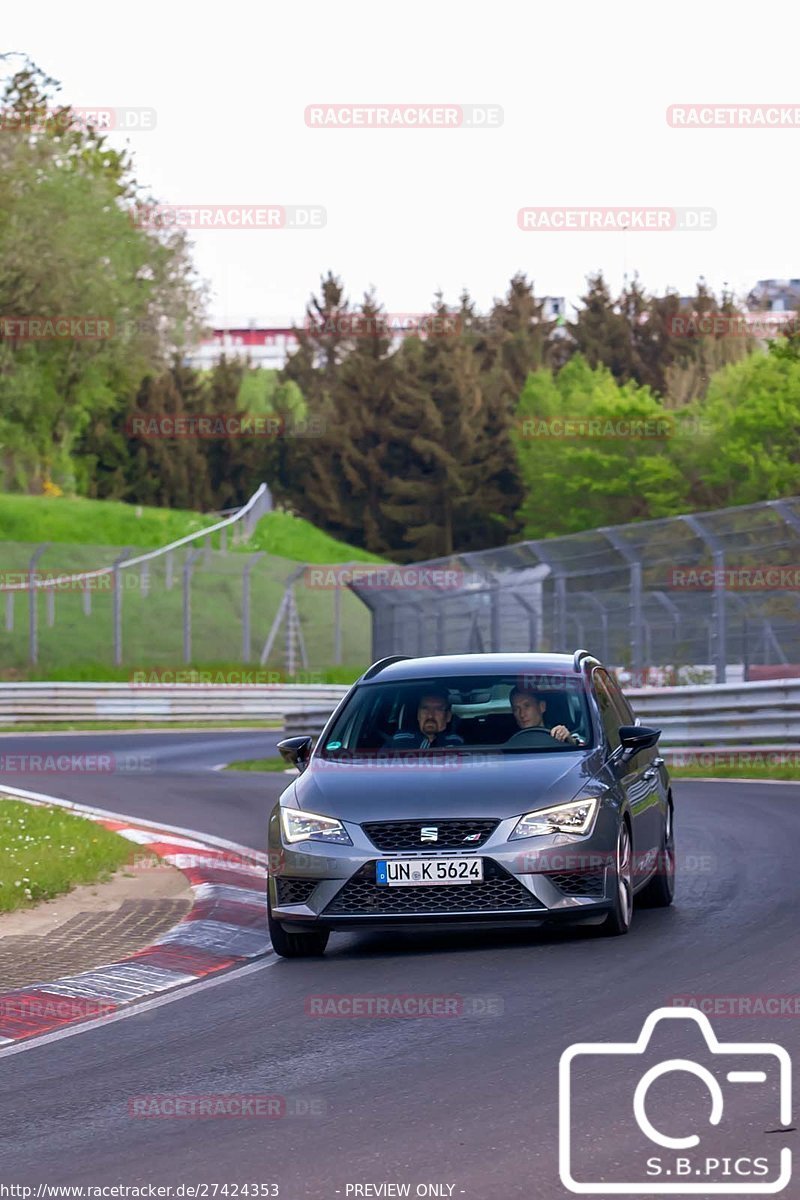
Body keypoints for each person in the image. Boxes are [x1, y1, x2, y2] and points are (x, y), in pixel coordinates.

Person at [391, 689, 464, 748]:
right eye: (425, 708)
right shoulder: (399, 741)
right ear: (418, 715)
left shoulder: (456, 743)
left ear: (448, 716)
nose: (430, 716)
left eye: (438, 709)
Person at [508, 685, 578, 743]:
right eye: (516, 709)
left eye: (527, 706)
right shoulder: (507, 741)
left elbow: (579, 749)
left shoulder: (557, 735)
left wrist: (569, 739)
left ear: (542, 706)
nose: (522, 714)